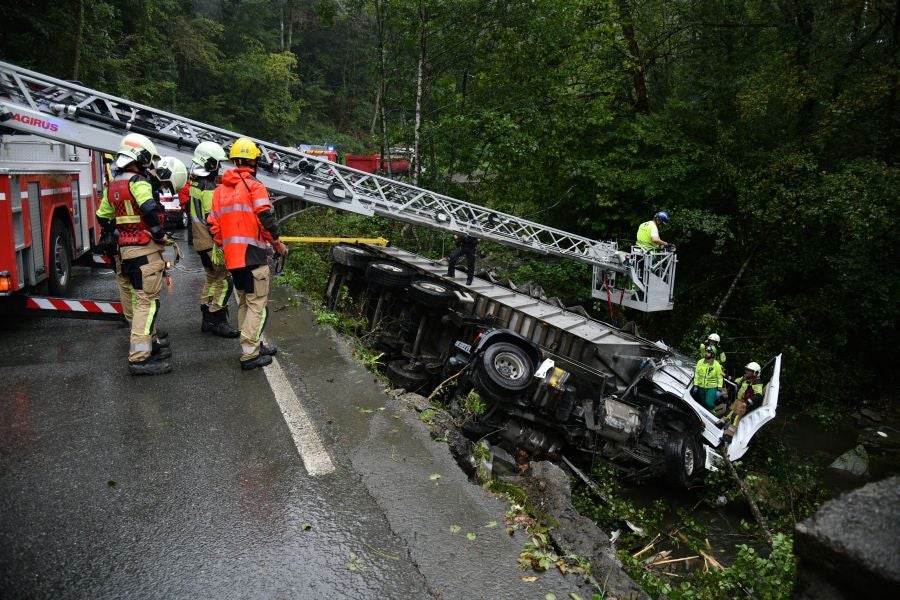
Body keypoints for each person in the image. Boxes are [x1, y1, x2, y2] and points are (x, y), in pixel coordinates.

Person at [207, 137, 288, 370]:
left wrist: (225, 244)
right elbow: (265, 217)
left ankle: (251, 345)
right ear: (254, 162)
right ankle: (250, 354)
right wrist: (277, 243)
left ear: (234, 161)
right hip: (253, 256)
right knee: (256, 305)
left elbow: (213, 223)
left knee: (245, 301)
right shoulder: (255, 186)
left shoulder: (220, 190)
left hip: (233, 258)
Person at [96, 133, 173, 375]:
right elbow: (149, 207)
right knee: (146, 303)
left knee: (143, 300)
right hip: (144, 250)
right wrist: (159, 232)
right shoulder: (138, 182)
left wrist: (119, 230)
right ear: (140, 156)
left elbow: (102, 216)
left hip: (126, 252)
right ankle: (140, 358)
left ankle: (150, 347)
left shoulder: (114, 184)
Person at [188, 141, 239, 338]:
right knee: (225, 280)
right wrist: (224, 243)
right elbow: (213, 220)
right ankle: (216, 318)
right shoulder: (209, 188)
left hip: (200, 242)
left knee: (211, 278)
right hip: (211, 243)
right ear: (210, 164)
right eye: (217, 163)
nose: (219, 167)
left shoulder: (194, 185)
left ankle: (207, 319)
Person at [719, 361, 764, 442]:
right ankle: (720, 424)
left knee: (736, 419)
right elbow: (735, 380)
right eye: (747, 370)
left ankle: (728, 437)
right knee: (730, 414)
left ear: (755, 373)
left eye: (749, 371)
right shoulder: (745, 378)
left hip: (743, 404)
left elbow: (759, 396)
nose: (746, 372)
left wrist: (747, 403)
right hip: (738, 401)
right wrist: (725, 375)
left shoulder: (757, 383)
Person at [691, 345, 724, 410]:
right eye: (706, 351)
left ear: (713, 354)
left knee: (709, 403)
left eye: (709, 352)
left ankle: (713, 411)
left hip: (711, 388)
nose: (706, 353)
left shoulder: (717, 365)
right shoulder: (700, 362)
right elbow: (697, 374)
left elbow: (720, 377)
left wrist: (719, 388)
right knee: (703, 403)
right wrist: (695, 385)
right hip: (701, 387)